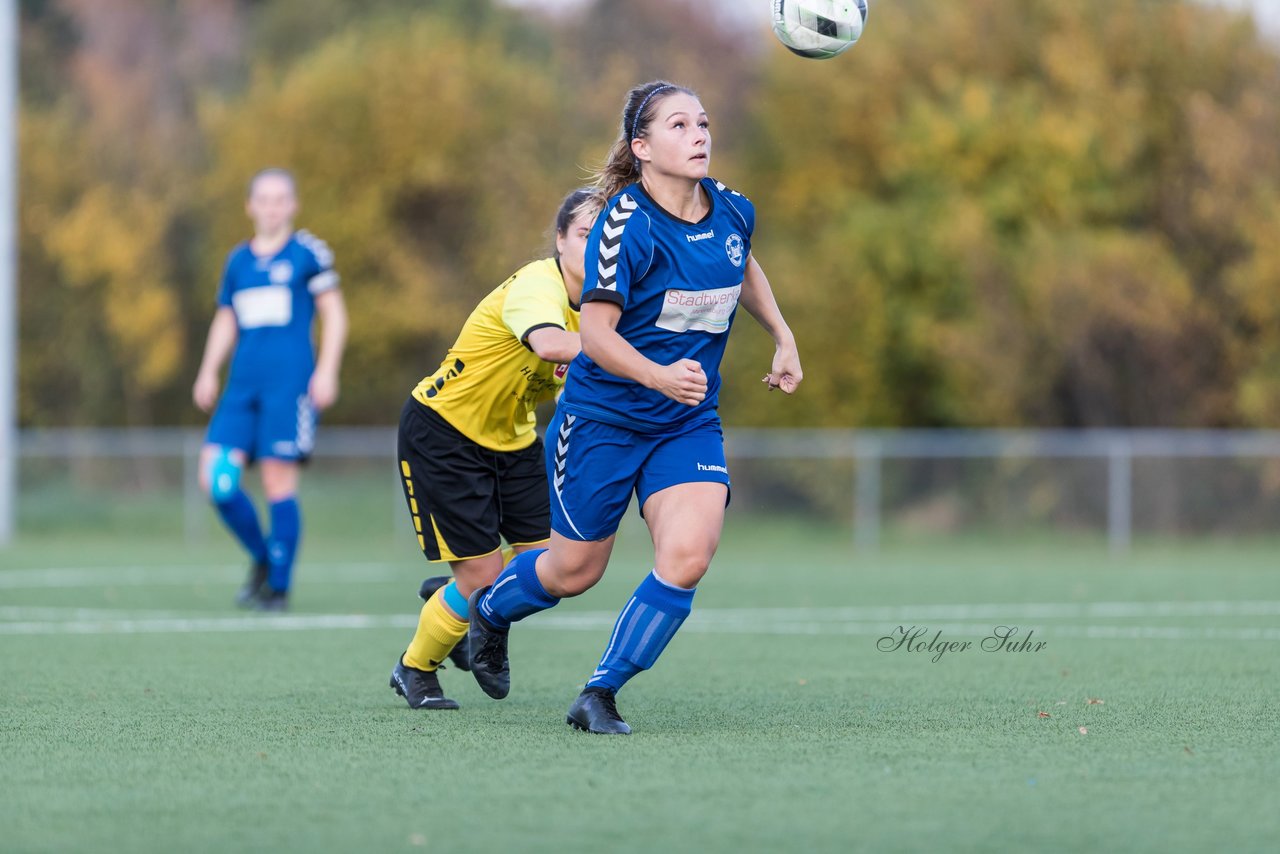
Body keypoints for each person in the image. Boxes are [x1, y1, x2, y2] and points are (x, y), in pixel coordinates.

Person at [465, 81, 803, 733]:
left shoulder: (734, 209)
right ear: (642, 147)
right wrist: (657, 375)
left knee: (688, 557)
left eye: (703, 122)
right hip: (602, 421)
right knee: (573, 570)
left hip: (685, 423)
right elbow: (593, 335)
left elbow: (742, 263)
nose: (699, 134)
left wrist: (783, 335)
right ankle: (488, 611)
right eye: (679, 125)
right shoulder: (624, 223)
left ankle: (600, 692)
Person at [389, 188, 601, 710]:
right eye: (583, 234)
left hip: (514, 441)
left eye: (605, 237)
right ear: (559, 240)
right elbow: (551, 345)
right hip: (443, 432)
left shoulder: (600, 309)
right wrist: (624, 352)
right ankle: (414, 669)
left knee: (550, 564)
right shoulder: (538, 285)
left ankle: (461, 595)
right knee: (483, 576)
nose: (595, 245)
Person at [192, 168, 348, 611]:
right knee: (216, 481)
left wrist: (327, 370)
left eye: (281, 198)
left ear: (293, 206)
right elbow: (226, 318)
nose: (272, 206)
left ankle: (278, 588)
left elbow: (334, 314)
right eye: (264, 198)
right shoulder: (237, 261)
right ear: (250, 206)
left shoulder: (307, 254)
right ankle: (262, 557)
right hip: (241, 389)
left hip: (290, 388)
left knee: (278, 482)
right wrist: (208, 370)